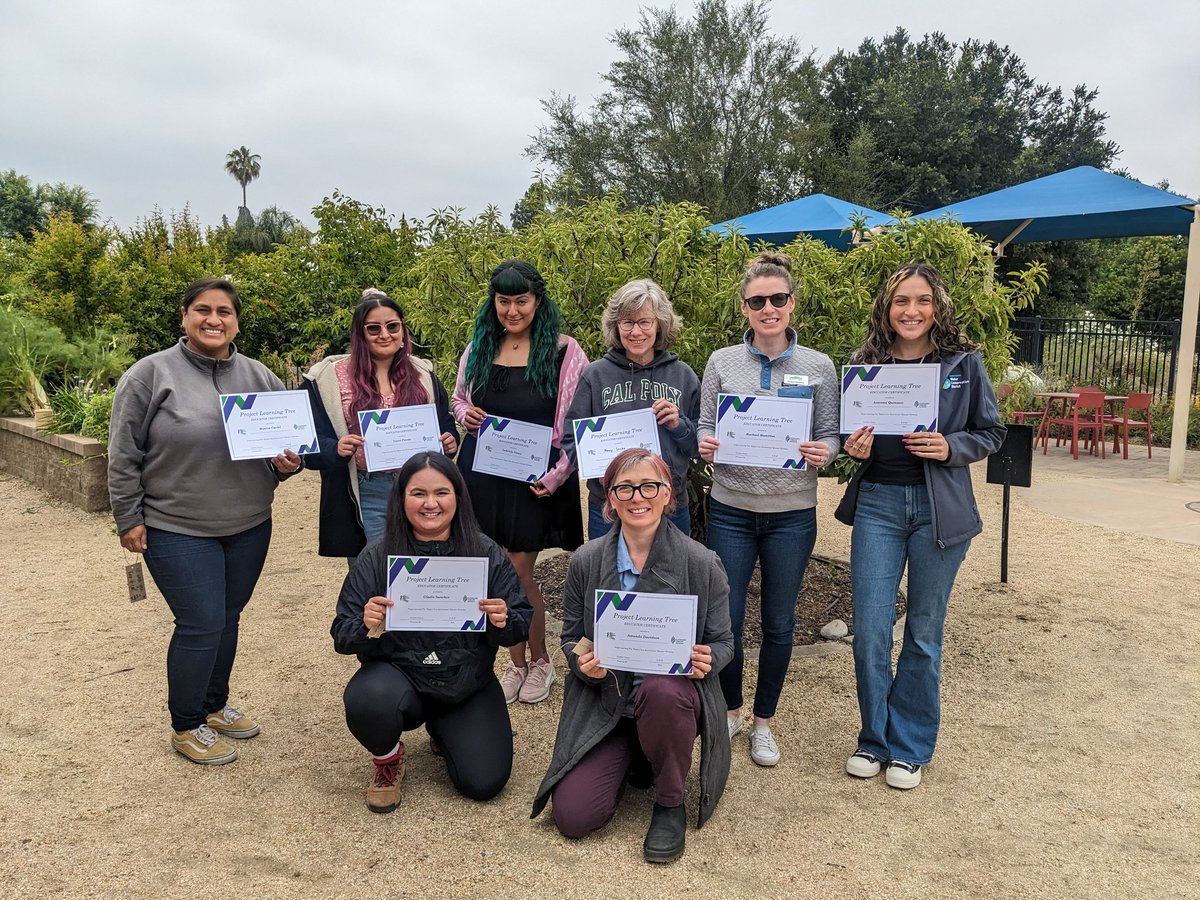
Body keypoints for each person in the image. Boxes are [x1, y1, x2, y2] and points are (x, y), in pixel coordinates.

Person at [108, 277, 303, 765]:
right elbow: (123, 453)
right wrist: (128, 517)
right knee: (201, 623)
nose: (213, 319)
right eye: (203, 309)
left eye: (224, 312)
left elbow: (281, 451)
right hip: (177, 527)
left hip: (249, 524)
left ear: (237, 321)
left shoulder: (260, 377)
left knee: (228, 618)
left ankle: (214, 706)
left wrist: (286, 465)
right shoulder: (150, 376)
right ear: (185, 315)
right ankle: (186, 722)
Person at [837, 262, 1005, 790]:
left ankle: (909, 747)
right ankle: (874, 739)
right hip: (878, 507)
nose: (911, 311)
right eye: (901, 301)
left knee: (924, 631)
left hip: (939, 510)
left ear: (938, 306)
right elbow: (849, 434)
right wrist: (852, 446)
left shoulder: (963, 364)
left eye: (922, 301)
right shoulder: (864, 364)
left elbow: (992, 431)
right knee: (869, 629)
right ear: (886, 308)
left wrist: (953, 446)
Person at [531, 449, 732, 864]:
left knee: (661, 691)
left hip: (669, 700)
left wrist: (709, 658)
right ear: (611, 498)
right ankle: (637, 755)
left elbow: (725, 642)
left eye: (649, 486)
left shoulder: (701, 563)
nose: (637, 496)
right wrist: (579, 660)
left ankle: (669, 800)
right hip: (609, 703)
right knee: (573, 816)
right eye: (625, 488)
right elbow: (571, 637)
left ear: (666, 494)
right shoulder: (586, 562)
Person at [696, 251, 840, 767]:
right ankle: (731, 711)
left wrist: (828, 452)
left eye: (777, 299)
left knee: (779, 622)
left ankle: (764, 723)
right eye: (758, 301)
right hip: (731, 507)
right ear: (744, 308)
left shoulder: (819, 366)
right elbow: (702, 425)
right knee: (727, 621)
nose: (768, 308)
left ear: (792, 303)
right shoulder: (721, 362)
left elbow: (830, 434)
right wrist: (707, 442)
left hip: (792, 513)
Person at [331, 452, 532, 813]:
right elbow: (342, 636)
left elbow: (519, 622)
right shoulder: (377, 557)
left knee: (484, 783)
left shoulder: (485, 552)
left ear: (458, 496)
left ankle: (446, 729)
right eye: (418, 493)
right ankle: (387, 758)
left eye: (441, 492)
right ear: (401, 498)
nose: (430, 504)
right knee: (368, 700)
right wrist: (365, 622)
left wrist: (504, 619)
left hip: (465, 681)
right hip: (398, 676)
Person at [452, 260, 587, 705]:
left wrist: (559, 474)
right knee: (492, 569)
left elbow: (575, 421)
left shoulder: (566, 352)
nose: (512, 310)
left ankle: (542, 660)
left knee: (517, 570)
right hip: (484, 475)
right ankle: (515, 663)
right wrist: (463, 415)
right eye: (504, 300)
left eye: (521, 301)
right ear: (493, 302)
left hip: (536, 479)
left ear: (538, 302)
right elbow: (458, 399)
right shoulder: (478, 346)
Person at [303, 289, 458, 560]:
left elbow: (445, 424)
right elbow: (310, 442)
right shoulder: (329, 378)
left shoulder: (423, 373)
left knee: (425, 565)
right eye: (373, 328)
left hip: (421, 486)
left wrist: (449, 441)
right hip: (367, 489)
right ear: (360, 334)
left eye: (392, 326)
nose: (384, 335)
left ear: (403, 330)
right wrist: (336, 447)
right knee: (377, 572)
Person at [565, 279, 700, 539]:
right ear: (616, 326)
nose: (636, 332)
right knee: (609, 579)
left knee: (669, 578)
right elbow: (570, 440)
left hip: (668, 504)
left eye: (644, 322)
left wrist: (679, 425)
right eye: (627, 322)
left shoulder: (682, 376)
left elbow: (699, 446)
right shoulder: (595, 376)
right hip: (610, 507)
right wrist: (600, 470)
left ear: (660, 324)